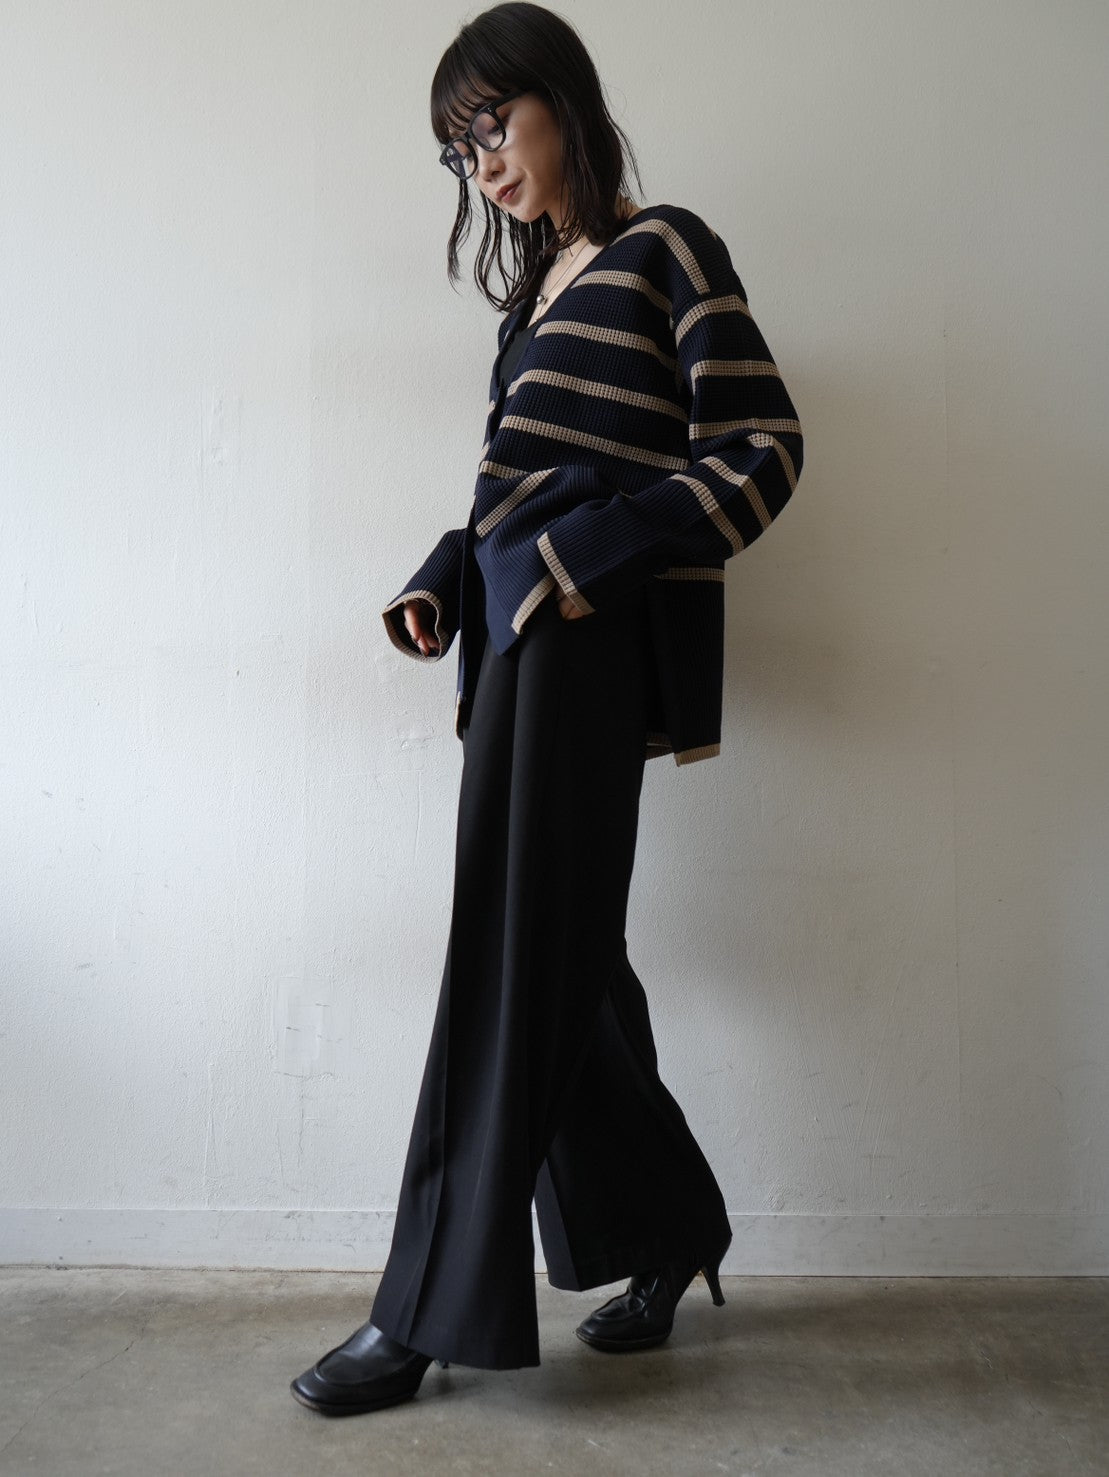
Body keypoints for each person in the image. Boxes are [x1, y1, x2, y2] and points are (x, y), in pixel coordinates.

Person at [290, 0, 803, 1417]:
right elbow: (506, 499)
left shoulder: (666, 249)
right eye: (459, 151)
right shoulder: (526, 305)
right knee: (560, 958)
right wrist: (446, 576)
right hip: (512, 653)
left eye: (494, 127)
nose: (484, 166)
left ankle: (421, 1314)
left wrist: (585, 561)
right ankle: (669, 1224)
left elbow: (762, 445)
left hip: (585, 647)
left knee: (505, 962)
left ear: (561, 101)